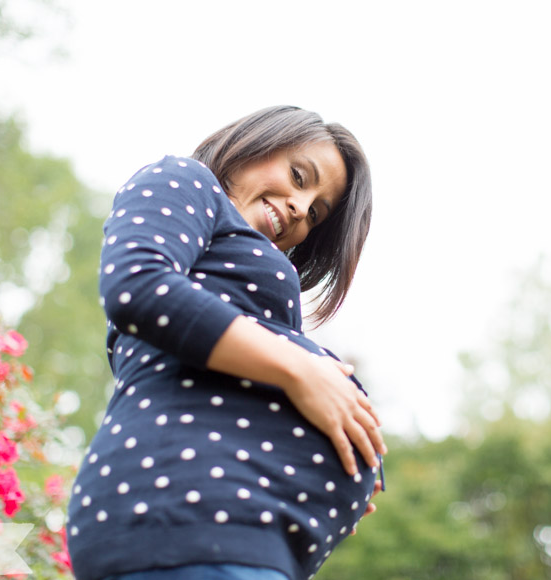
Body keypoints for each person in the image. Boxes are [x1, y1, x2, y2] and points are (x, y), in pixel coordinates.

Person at [66, 105, 385, 580]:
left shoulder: (243, 268)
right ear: (254, 142)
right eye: (299, 176)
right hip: (182, 515)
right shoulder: (185, 179)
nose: (300, 207)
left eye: (315, 213)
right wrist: (300, 371)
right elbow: (140, 285)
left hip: (244, 536)